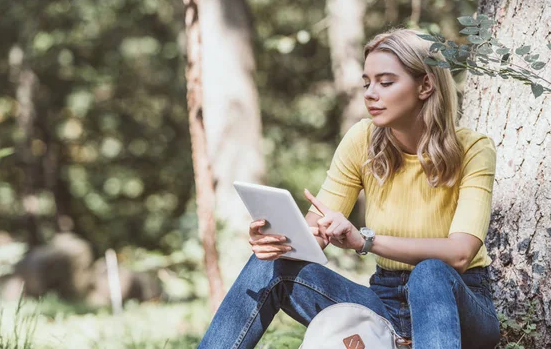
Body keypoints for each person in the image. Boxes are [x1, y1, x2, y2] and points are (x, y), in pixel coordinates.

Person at [198, 29, 501, 349]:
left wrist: (364, 240)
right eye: (366, 83)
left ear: (425, 85)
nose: (371, 93)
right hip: (384, 304)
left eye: (385, 82)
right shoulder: (362, 139)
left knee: (430, 273)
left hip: (457, 306)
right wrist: (278, 242)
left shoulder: (474, 148)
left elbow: (460, 253)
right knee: (268, 264)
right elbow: (313, 233)